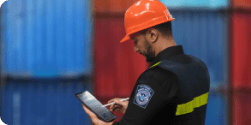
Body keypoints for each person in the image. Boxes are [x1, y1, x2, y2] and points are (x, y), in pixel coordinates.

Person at [82, 0, 210, 124]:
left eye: (135, 40)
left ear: (152, 35)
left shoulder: (156, 77)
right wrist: (137, 111)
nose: (135, 48)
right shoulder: (199, 66)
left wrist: (99, 123)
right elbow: (177, 114)